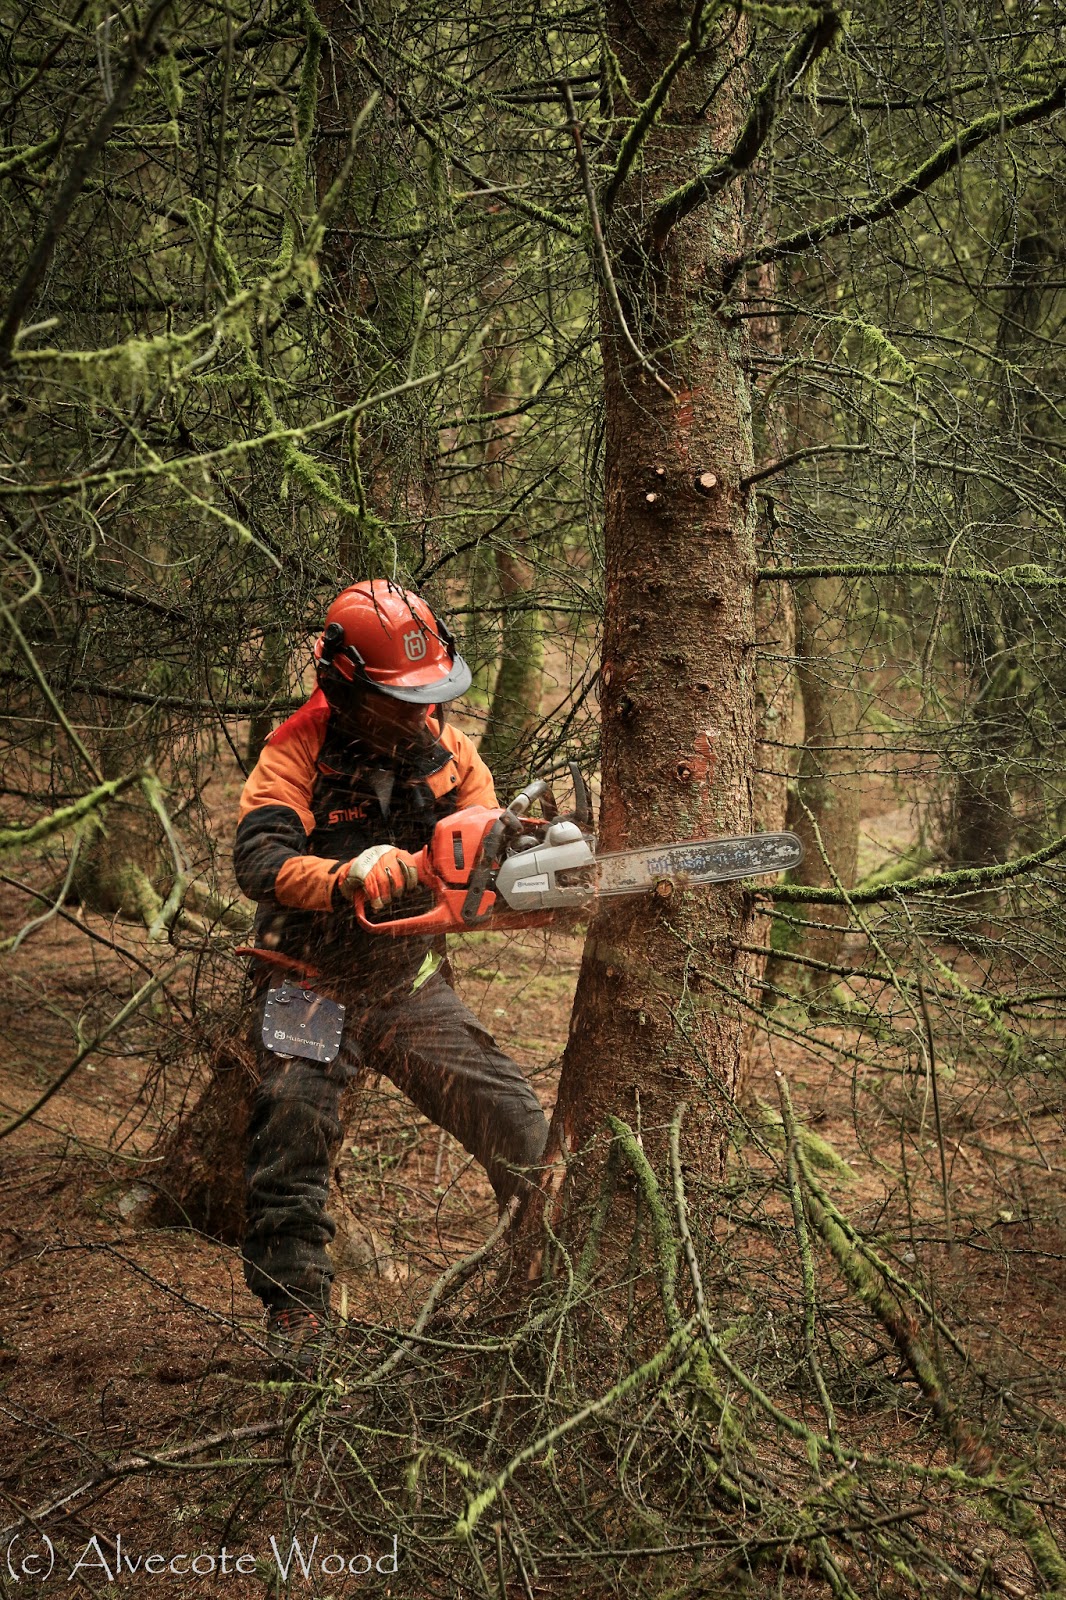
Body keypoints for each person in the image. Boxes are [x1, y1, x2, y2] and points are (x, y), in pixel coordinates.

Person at [233, 580, 549, 1366]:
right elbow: (258, 857)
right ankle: (298, 1317)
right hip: (308, 975)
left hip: (406, 982)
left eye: (429, 697)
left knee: (512, 1117)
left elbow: (481, 837)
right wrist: (344, 876)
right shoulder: (296, 748)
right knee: (292, 1129)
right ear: (348, 687)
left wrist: (513, 855)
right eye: (402, 700)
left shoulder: (450, 753)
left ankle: (560, 1270)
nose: (420, 714)